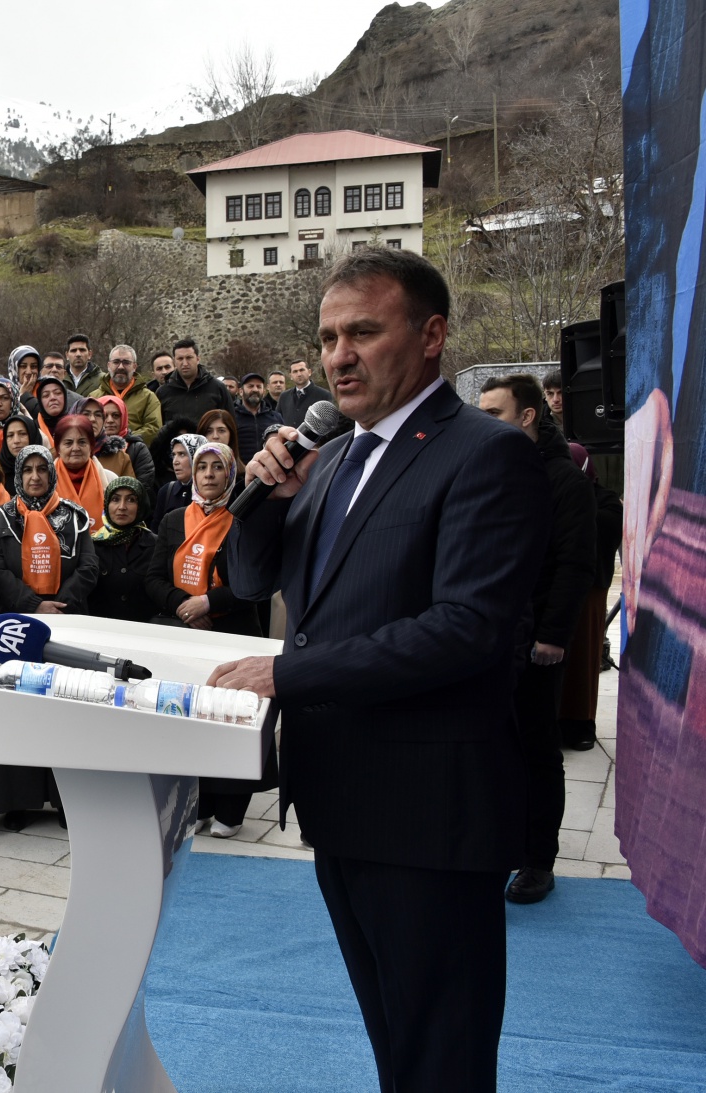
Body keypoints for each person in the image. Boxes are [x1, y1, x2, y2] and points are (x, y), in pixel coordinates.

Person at [215, 248, 552, 1092]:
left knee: (443, 1056)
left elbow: (465, 631)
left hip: (429, 816)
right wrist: (259, 501)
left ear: (431, 335)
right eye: (329, 336)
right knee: (394, 1044)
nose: (339, 355)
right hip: (340, 802)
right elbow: (254, 582)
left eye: (364, 330)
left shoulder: (483, 455)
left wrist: (288, 675)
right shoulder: (329, 458)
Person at [477, 374, 596, 905]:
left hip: (536, 645)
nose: (484, 422)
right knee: (492, 748)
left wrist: (551, 635)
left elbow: (575, 564)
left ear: (527, 416)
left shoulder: (564, 480)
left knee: (536, 751)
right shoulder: (489, 469)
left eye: (495, 412)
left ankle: (536, 860)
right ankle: (497, 843)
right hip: (487, 637)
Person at [0, 443, 95, 829]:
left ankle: (67, 802)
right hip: (16, 624)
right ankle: (18, 801)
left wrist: (58, 606)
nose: (33, 476)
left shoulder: (75, 517)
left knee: (66, 713)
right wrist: (34, 605)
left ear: (51, 472)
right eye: (26, 469)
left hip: (66, 620)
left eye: (41, 469)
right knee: (18, 714)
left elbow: (90, 567)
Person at [148, 440, 261, 641]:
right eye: (202, 467)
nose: (208, 474)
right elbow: (154, 579)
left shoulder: (246, 521)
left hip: (234, 634)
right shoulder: (173, 519)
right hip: (181, 630)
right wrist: (185, 606)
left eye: (218, 466)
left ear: (230, 473)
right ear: (194, 475)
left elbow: (255, 583)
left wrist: (207, 603)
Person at [558, 445, 621, 750]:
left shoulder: (605, 501)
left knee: (583, 654)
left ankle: (580, 724)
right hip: (557, 583)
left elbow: (607, 529)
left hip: (591, 586)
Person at [88, 476, 158, 623]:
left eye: (131, 500)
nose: (122, 507)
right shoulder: (93, 544)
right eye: (115, 499)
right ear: (106, 504)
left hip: (144, 632)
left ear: (141, 505)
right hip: (101, 632)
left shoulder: (155, 545)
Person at [52, 415, 114, 533]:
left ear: (91, 447)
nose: (75, 448)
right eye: (68, 443)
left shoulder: (110, 479)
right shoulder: (45, 483)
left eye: (82, 442)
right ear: (58, 448)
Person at [91, 345, 164, 446]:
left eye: (126, 362)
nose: (121, 367)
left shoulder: (148, 397)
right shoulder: (94, 397)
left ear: (134, 367)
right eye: (116, 362)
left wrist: (126, 440)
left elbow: (153, 429)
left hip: (134, 455)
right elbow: (86, 425)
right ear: (108, 365)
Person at [156, 338, 234, 425]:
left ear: (197, 359)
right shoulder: (163, 392)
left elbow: (230, 424)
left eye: (189, 358)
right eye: (180, 359)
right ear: (174, 361)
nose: (185, 363)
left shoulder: (217, 388)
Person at [94, 395, 156, 491]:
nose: (110, 420)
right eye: (105, 416)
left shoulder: (137, 448)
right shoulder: (87, 447)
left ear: (124, 417)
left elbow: (143, 487)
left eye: (116, 415)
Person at [232, 372, 284, 468]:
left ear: (263, 391)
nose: (255, 390)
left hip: (270, 473)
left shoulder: (276, 417)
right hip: (240, 476)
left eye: (259, 386)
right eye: (250, 386)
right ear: (240, 391)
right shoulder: (231, 417)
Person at [80, 400, 136, 482]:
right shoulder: (60, 454)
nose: (92, 419)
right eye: (86, 414)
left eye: (98, 415)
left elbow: (128, 492)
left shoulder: (121, 458)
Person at [156, 429, 205, 517]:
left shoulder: (209, 492)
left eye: (182, 454)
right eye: (174, 455)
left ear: (197, 457)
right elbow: (156, 529)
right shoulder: (166, 491)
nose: (175, 461)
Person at [274, 359, 333, 425]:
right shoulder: (284, 396)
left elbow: (329, 423)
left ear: (309, 372)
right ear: (291, 376)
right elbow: (276, 421)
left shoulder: (324, 395)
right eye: (295, 371)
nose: (299, 374)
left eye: (302, 370)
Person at [0, 414, 46, 489]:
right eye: (10, 435)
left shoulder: (48, 468)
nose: (16, 441)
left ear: (32, 436)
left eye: (22, 434)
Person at [33, 376, 73, 443]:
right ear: (40, 401)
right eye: (46, 395)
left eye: (57, 393)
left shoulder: (76, 425)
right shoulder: (33, 429)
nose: (52, 398)